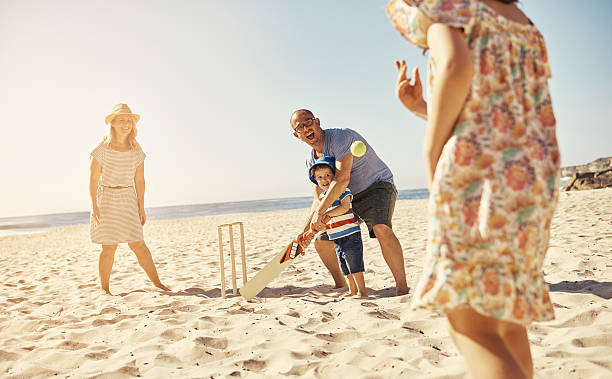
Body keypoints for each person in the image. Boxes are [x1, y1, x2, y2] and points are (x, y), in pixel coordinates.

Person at [387, 0, 560, 378]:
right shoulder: (521, 22)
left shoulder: (449, 7)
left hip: (477, 173)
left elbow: (456, 65)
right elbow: (499, 109)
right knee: (505, 317)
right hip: (533, 175)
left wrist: (431, 147)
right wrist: (423, 108)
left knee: (471, 323)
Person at [291, 109, 409, 296]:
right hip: (345, 198)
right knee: (321, 242)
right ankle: (341, 284)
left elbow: (342, 179)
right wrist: (306, 230)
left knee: (380, 228)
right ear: (296, 135)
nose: (306, 128)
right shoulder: (311, 160)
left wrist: (321, 214)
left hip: (376, 186)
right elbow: (318, 199)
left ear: (318, 122)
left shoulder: (341, 138)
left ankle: (402, 287)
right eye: (300, 127)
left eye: (309, 122)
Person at [89, 103, 170, 295]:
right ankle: (105, 289)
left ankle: (158, 284)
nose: (126, 124)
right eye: (122, 120)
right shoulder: (102, 149)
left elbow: (140, 180)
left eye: (129, 120)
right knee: (109, 247)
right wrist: (94, 205)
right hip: (106, 198)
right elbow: (93, 178)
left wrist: (142, 207)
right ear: (114, 123)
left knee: (138, 243)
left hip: (127, 197)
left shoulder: (136, 150)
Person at [309, 156, 368, 298]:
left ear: (335, 176)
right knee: (345, 266)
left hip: (350, 234)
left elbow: (344, 207)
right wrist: (314, 228)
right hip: (336, 236)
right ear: (316, 180)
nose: (324, 180)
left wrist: (326, 215)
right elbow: (321, 220)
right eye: (320, 177)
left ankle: (362, 291)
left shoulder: (342, 190)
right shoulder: (323, 198)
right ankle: (352, 290)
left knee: (354, 264)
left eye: (328, 175)